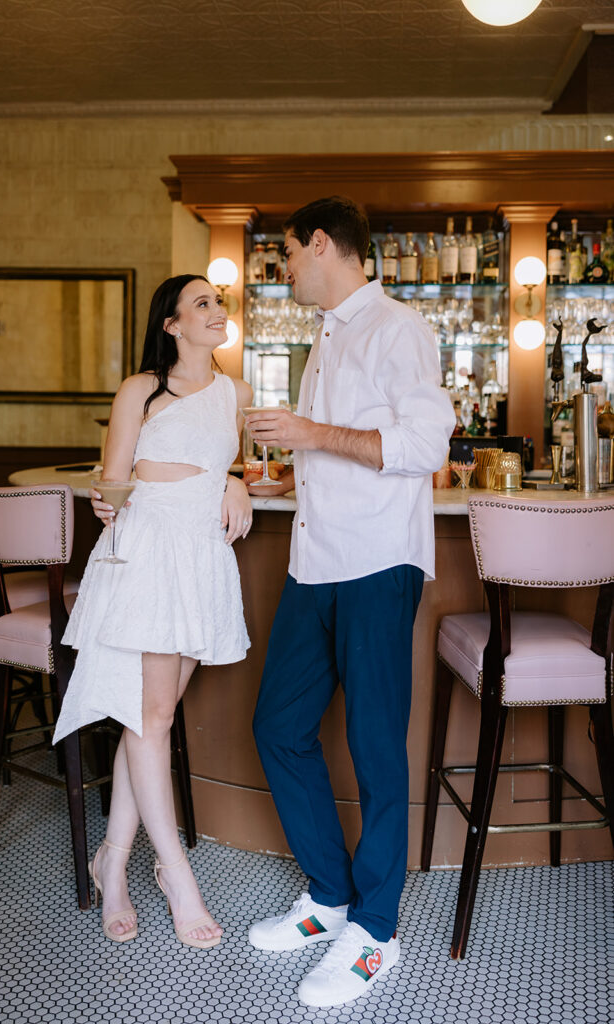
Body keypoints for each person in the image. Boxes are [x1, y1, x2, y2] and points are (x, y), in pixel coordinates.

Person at [245, 197, 455, 1008]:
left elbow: (422, 448)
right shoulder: (326, 337)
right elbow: (339, 446)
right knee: (278, 725)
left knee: (372, 747)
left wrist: (310, 434)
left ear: (323, 244)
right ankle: (329, 897)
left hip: (375, 564)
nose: (285, 268)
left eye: (288, 254)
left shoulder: (396, 328)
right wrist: (288, 472)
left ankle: (375, 932)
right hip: (314, 563)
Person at [52, 274, 252, 948]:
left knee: (151, 720)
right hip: (146, 553)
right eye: (201, 303)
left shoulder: (238, 393)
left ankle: (113, 856)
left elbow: (237, 464)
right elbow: (112, 481)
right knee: (153, 717)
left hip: (200, 558)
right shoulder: (141, 389)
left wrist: (236, 482)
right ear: (170, 324)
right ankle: (175, 875)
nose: (215, 310)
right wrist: (106, 499)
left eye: (217, 302)